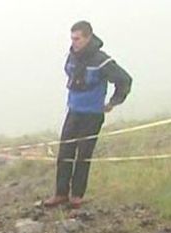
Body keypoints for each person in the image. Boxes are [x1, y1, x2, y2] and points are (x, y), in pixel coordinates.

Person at [44, 21, 132, 209]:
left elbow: (124, 80)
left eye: (77, 38)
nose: (74, 42)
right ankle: (60, 193)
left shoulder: (102, 60)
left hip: (92, 115)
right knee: (65, 153)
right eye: (72, 38)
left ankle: (77, 196)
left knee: (83, 154)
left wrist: (113, 102)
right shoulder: (72, 57)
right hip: (73, 111)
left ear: (88, 37)